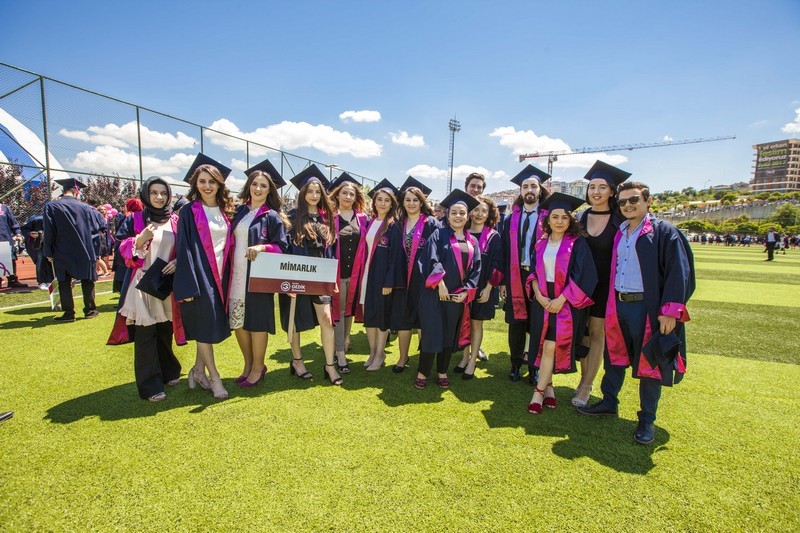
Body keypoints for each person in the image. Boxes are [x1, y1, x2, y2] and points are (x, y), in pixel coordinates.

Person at [578, 181, 695, 445]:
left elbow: (679, 272)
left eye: (634, 200)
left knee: (650, 365)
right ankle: (609, 402)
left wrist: (669, 311)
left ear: (647, 200)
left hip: (649, 308)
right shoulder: (620, 232)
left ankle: (646, 420)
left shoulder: (664, 232)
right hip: (618, 304)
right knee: (614, 357)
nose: (628, 205)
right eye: (623, 202)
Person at [106, 177, 184, 401]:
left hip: (166, 283)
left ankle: (169, 371)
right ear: (146, 195)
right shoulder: (136, 220)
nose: (159, 197)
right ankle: (150, 385)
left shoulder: (176, 221)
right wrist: (139, 240)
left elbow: (185, 249)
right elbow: (119, 247)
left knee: (164, 329)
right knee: (145, 333)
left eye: (163, 193)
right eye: (154, 193)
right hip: (141, 283)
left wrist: (178, 262)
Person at [525, 193, 597, 413]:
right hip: (543, 300)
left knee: (550, 346)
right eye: (554, 217)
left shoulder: (578, 244)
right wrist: (537, 294)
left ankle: (537, 392)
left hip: (565, 302)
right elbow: (533, 273)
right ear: (547, 220)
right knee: (543, 345)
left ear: (570, 221)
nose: (559, 221)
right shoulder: (540, 243)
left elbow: (584, 276)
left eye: (564, 217)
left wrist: (562, 299)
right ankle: (549, 388)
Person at [174, 154, 235, 400]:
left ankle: (198, 371)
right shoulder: (189, 211)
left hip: (224, 276)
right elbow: (184, 247)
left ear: (220, 184)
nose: (207, 186)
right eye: (202, 181)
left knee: (207, 326)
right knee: (205, 327)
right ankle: (215, 377)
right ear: (195, 184)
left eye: (212, 181)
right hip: (201, 276)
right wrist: (189, 285)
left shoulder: (225, 210)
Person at [279, 165, 343, 386]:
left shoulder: (327, 218)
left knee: (326, 318)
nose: (314, 195)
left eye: (317, 192)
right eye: (310, 191)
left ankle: (329, 365)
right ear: (302, 193)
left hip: (320, 276)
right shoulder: (292, 216)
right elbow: (284, 247)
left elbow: (332, 251)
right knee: (294, 319)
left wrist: (332, 278)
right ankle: (297, 361)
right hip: (297, 273)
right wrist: (287, 280)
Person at [573, 161, 630, 407]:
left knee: (597, 334)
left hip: (607, 286)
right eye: (592, 187)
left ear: (612, 191)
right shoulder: (580, 217)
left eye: (602, 187)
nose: (595, 191)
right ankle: (584, 378)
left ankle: (586, 385)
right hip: (582, 284)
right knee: (583, 334)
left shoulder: (621, 219)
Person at [229, 160, 289, 387]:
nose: (258, 189)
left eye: (264, 186)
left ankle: (258, 368)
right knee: (238, 323)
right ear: (249, 186)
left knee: (257, 323)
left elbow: (281, 247)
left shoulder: (271, 216)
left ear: (269, 190)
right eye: (255, 184)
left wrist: (263, 247)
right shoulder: (239, 212)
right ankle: (248, 364)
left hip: (258, 277)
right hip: (236, 274)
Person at [415, 190, 482, 389]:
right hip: (434, 294)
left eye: (462, 212)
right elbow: (431, 260)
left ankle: (442, 371)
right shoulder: (439, 234)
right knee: (431, 332)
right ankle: (423, 371)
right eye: (454, 212)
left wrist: (466, 291)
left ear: (467, 215)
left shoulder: (473, 242)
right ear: (447, 214)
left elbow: (476, 270)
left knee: (448, 334)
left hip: (456, 298)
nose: (458, 216)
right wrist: (440, 284)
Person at [499, 164, 550, 382]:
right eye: (525, 186)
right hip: (514, 276)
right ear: (520, 191)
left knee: (537, 323)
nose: (529, 190)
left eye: (533, 186)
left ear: (540, 190)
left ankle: (534, 366)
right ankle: (515, 364)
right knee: (516, 322)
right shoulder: (511, 218)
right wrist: (502, 281)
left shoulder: (549, 217)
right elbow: (504, 249)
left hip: (539, 276)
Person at [388, 177, 440, 372]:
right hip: (402, 279)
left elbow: (438, 252)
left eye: (415, 200)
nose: (411, 203)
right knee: (403, 321)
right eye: (407, 199)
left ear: (421, 202)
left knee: (423, 321)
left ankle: (424, 361)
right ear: (403, 202)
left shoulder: (431, 223)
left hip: (423, 279)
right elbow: (393, 253)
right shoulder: (398, 224)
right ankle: (402, 358)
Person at [348, 179, 398, 371]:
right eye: (379, 199)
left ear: (392, 203)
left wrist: (389, 281)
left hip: (382, 277)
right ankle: (372, 352)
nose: (383, 203)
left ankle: (380, 354)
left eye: (387, 200)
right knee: (369, 314)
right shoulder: (370, 222)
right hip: (367, 274)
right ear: (374, 202)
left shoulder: (393, 226)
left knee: (381, 316)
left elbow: (395, 258)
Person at [454, 195, 502, 378]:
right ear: (470, 212)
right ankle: (464, 357)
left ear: (489, 213)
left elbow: (498, 264)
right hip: (463, 286)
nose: (480, 214)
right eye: (476, 210)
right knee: (463, 322)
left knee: (476, 324)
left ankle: (473, 361)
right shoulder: (462, 232)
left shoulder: (493, 236)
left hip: (482, 287)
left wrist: (490, 287)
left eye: (484, 210)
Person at [43, 178, 100, 321]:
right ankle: (90, 310)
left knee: (64, 281)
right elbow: (95, 230)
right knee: (87, 280)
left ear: (63, 192)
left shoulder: (51, 207)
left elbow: (49, 231)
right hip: (85, 248)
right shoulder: (87, 208)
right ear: (77, 193)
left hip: (62, 250)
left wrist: (48, 252)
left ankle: (69, 313)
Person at [328, 172, 369, 373]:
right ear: (337, 195)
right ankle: (340, 353)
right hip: (336, 273)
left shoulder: (362, 219)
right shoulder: (329, 218)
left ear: (356, 197)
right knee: (339, 309)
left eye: (352, 194)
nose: (348, 197)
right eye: (344, 193)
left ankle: (344, 340)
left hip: (355, 273)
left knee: (349, 309)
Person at [112, 198, 143, 293]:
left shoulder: (129, 218)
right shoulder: (136, 218)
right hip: (134, 257)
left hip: (128, 256)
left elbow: (120, 238)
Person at [21, 214, 53, 289]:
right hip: (38, 243)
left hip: (51, 242)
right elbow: (25, 229)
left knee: (52, 260)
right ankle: (42, 281)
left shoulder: (58, 218)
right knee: (41, 260)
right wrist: (31, 234)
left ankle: (51, 280)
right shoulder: (37, 220)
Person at [0, 202, 27, 289]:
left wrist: (18, 234)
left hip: (5, 238)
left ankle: (12, 280)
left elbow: (13, 222)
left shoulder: (5, 208)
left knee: (10, 259)